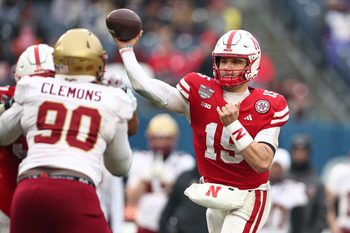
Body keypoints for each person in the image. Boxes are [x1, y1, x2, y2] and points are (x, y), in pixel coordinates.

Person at [113, 28, 290, 233]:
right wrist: (126, 49)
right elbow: (144, 86)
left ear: (252, 63)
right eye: (223, 60)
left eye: (235, 61)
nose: (227, 67)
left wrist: (233, 125)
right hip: (215, 194)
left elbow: (261, 162)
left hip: (248, 197)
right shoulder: (200, 91)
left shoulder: (267, 104)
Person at [0, 28, 134, 233]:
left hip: (28, 190)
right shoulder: (112, 97)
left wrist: (11, 106)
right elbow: (119, 167)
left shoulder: (33, 87)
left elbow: (2, 134)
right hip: (74, 189)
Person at [0, 43, 56, 233]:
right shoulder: (5, 97)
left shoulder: (70, 102)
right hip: (6, 197)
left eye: (47, 81)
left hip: (52, 199)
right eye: (33, 83)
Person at [125, 113, 195, 233]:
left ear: (174, 138)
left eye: (166, 138)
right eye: (156, 138)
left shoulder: (184, 161)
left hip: (172, 224)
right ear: (149, 138)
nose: (161, 143)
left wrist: (171, 184)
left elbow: (186, 200)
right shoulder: (140, 158)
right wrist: (144, 180)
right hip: (144, 223)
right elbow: (131, 199)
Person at [260, 148, 308, 233]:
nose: (275, 170)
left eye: (278, 167)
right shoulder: (260, 186)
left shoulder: (293, 188)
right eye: (273, 166)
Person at [288, 134, 327, 233]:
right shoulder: (284, 178)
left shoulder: (315, 181)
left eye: (303, 151)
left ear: (308, 153)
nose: (300, 155)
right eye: (297, 151)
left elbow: (322, 212)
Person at [159, 166, 209, 233]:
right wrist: (163, 226)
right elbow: (170, 206)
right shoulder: (185, 177)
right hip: (181, 229)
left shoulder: (217, 181)